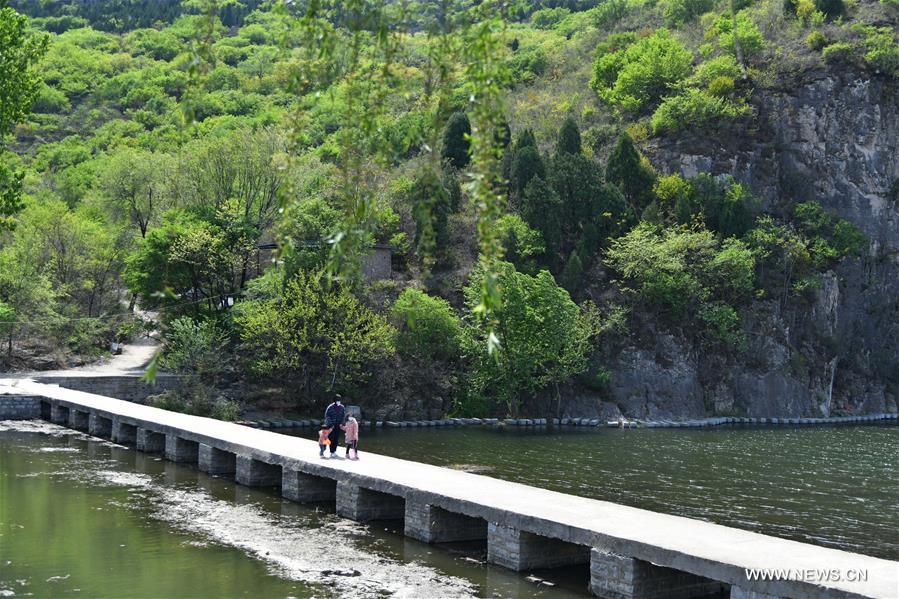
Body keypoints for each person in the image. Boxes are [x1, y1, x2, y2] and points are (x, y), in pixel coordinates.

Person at [324, 394, 347, 459]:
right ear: (334, 400)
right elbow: (327, 416)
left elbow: (343, 416)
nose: (338, 401)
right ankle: (331, 452)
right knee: (331, 438)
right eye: (337, 400)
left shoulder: (342, 407)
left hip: (338, 425)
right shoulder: (330, 407)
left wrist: (342, 423)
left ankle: (334, 451)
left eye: (339, 400)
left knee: (336, 439)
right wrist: (331, 424)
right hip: (331, 426)